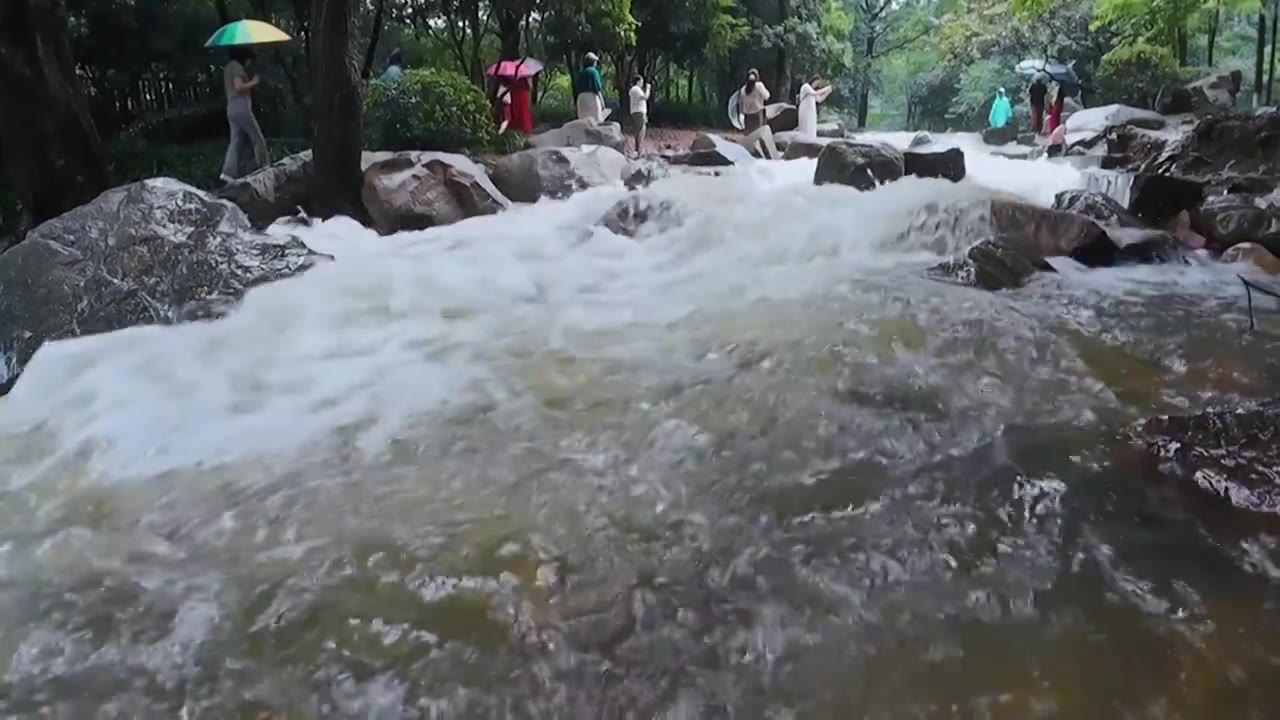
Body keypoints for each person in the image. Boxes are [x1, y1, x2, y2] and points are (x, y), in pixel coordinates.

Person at [220, 47, 269, 184]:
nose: (250, 64)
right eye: (250, 61)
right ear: (245, 58)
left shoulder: (228, 67)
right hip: (241, 108)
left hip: (231, 109)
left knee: (235, 141)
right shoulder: (236, 67)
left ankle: (227, 173)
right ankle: (265, 167)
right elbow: (239, 86)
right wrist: (254, 82)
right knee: (257, 138)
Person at [797, 76, 834, 140]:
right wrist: (826, 88)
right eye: (817, 82)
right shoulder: (806, 86)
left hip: (811, 111)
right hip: (805, 110)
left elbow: (819, 99)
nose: (817, 85)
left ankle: (811, 140)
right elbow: (815, 93)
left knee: (811, 126)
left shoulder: (811, 90)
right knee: (805, 126)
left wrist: (827, 93)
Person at [575, 52, 605, 123]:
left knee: (583, 123)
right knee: (596, 121)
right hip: (591, 98)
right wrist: (602, 102)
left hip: (581, 99)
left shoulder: (580, 73)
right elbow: (597, 88)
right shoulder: (593, 72)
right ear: (593, 62)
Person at [628, 74, 650, 156]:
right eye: (641, 81)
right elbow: (645, 97)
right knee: (641, 131)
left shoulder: (633, 90)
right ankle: (639, 150)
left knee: (638, 131)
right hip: (639, 112)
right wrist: (648, 89)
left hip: (635, 112)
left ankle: (637, 150)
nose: (642, 83)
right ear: (637, 81)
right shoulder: (636, 89)